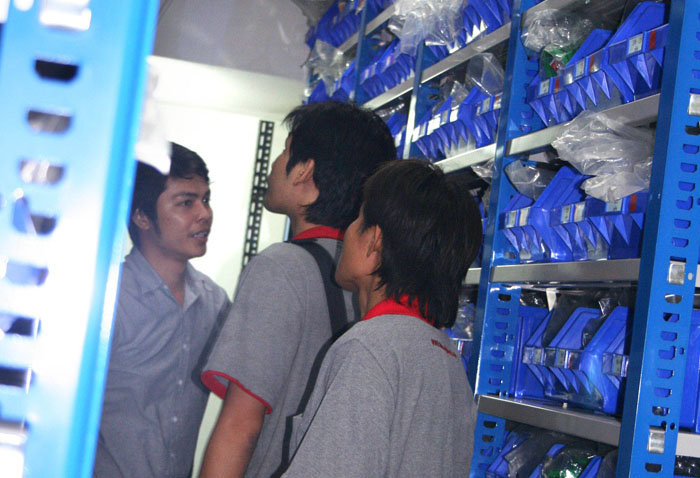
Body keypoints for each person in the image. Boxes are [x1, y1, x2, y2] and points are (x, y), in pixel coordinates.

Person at [199, 101, 397, 477]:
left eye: (286, 151)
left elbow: (240, 426)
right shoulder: (375, 278)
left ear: (305, 172)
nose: (275, 165)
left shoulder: (282, 268)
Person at [282, 159, 482, 477]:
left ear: (375, 240)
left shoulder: (369, 348)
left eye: (358, 218)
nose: (347, 232)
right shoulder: (446, 356)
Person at [94, 143, 231, 477]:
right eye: (186, 202)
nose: (204, 213)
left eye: (206, 199)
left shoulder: (215, 303)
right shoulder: (108, 300)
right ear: (142, 216)